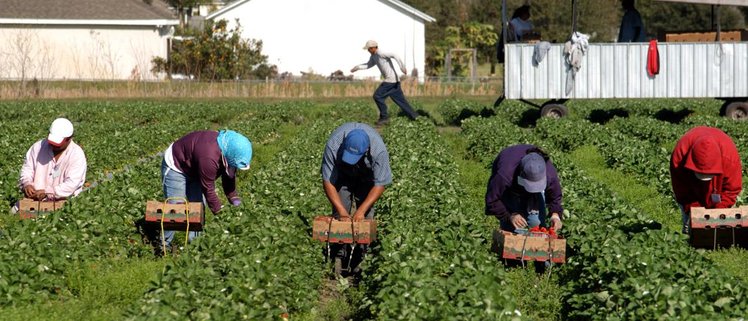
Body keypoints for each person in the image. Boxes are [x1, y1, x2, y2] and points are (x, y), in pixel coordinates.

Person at [159, 129, 252, 248]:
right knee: (176, 207)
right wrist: (220, 213)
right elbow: (208, 189)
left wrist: (234, 199)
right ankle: (163, 246)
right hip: (176, 165)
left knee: (198, 208)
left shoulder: (227, 151)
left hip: (195, 167)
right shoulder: (209, 157)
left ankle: (194, 245)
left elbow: (229, 177)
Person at [321, 122, 391, 274]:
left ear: (366, 150)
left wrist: (361, 210)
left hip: (367, 177)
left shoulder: (378, 150)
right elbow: (328, 181)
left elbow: (380, 184)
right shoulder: (334, 144)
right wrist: (342, 211)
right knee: (341, 215)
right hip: (343, 175)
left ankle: (361, 255)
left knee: (365, 218)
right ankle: (339, 253)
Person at [670, 126, 742, 234]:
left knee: (722, 226)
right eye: (700, 174)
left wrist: (719, 212)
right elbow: (682, 192)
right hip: (691, 189)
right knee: (690, 226)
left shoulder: (729, 158)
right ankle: (689, 238)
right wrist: (695, 212)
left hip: (718, 192)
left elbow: (731, 190)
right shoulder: (680, 156)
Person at [485, 144, 563, 233]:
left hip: (533, 191)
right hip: (511, 188)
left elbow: (555, 197)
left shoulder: (549, 174)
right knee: (513, 228)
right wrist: (510, 215)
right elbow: (492, 200)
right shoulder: (504, 175)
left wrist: (555, 215)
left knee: (537, 224)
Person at [18, 118, 87, 203]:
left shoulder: (76, 155)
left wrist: (48, 192)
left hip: (65, 202)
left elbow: (71, 184)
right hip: (34, 200)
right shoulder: (37, 147)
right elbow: (27, 169)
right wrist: (27, 183)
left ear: (68, 139)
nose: (53, 146)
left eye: (57, 144)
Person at [350, 40, 419, 126]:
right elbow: (368, 65)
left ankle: (384, 118)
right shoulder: (374, 56)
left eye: (369, 49)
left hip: (390, 81)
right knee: (401, 101)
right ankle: (416, 117)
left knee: (377, 96)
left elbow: (394, 55)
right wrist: (357, 67)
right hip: (395, 81)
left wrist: (402, 67)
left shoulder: (381, 53)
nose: (368, 51)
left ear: (373, 48)